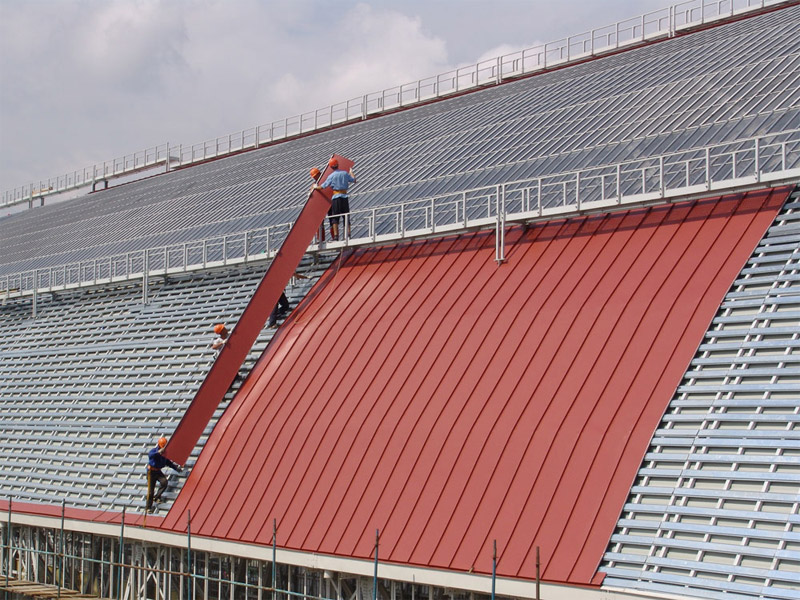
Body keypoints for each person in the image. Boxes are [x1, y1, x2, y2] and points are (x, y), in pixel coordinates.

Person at [315, 157, 356, 241]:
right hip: (344, 197)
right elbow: (354, 180)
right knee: (346, 216)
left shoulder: (331, 176)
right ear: (338, 164)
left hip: (336, 197)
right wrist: (351, 172)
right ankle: (348, 234)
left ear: (331, 167)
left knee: (335, 218)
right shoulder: (345, 173)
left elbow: (323, 186)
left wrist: (316, 187)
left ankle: (336, 236)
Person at [146, 436, 182, 512]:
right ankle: (148, 507)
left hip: (158, 471)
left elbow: (168, 462)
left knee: (164, 482)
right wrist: (158, 452)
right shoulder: (154, 451)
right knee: (150, 491)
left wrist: (176, 468)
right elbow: (150, 455)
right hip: (151, 472)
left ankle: (157, 497)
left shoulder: (165, 454)